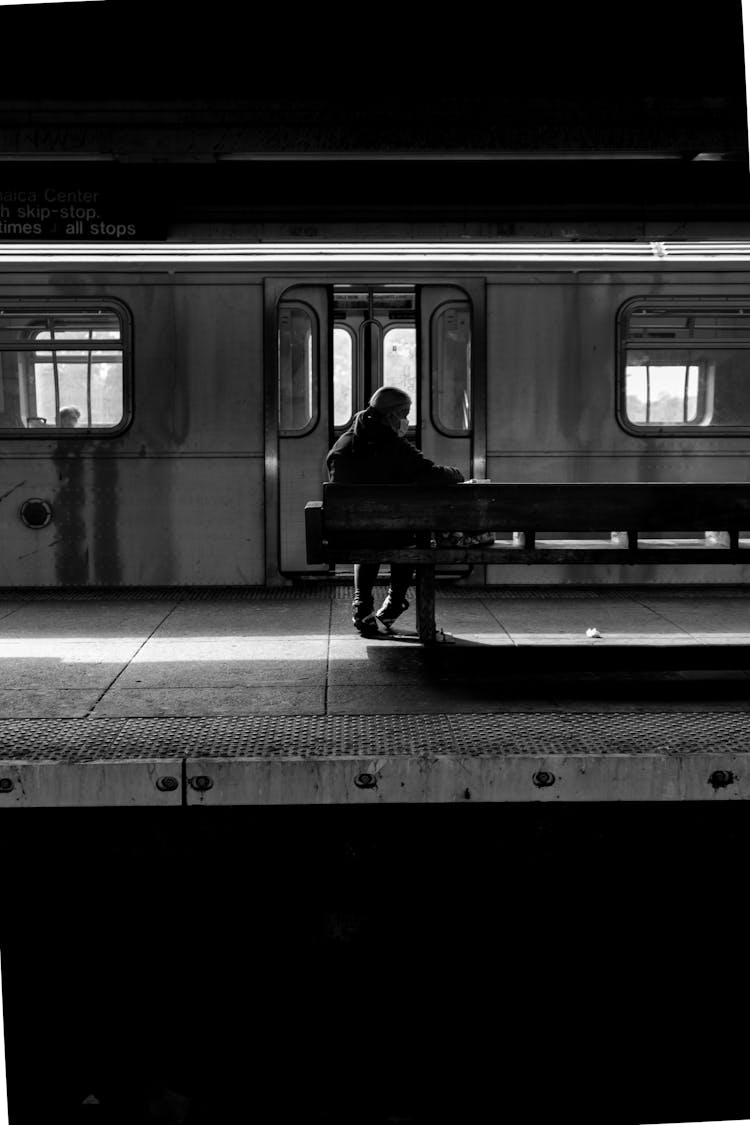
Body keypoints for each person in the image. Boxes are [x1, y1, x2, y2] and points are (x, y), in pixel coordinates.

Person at [326, 386, 465, 636]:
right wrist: (457, 474)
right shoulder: (391, 444)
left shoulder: (344, 442)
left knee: (368, 533)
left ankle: (362, 605)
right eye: (404, 414)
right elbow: (429, 474)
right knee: (412, 535)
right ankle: (395, 600)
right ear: (391, 415)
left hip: (348, 533)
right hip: (391, 533)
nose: (406, 421)